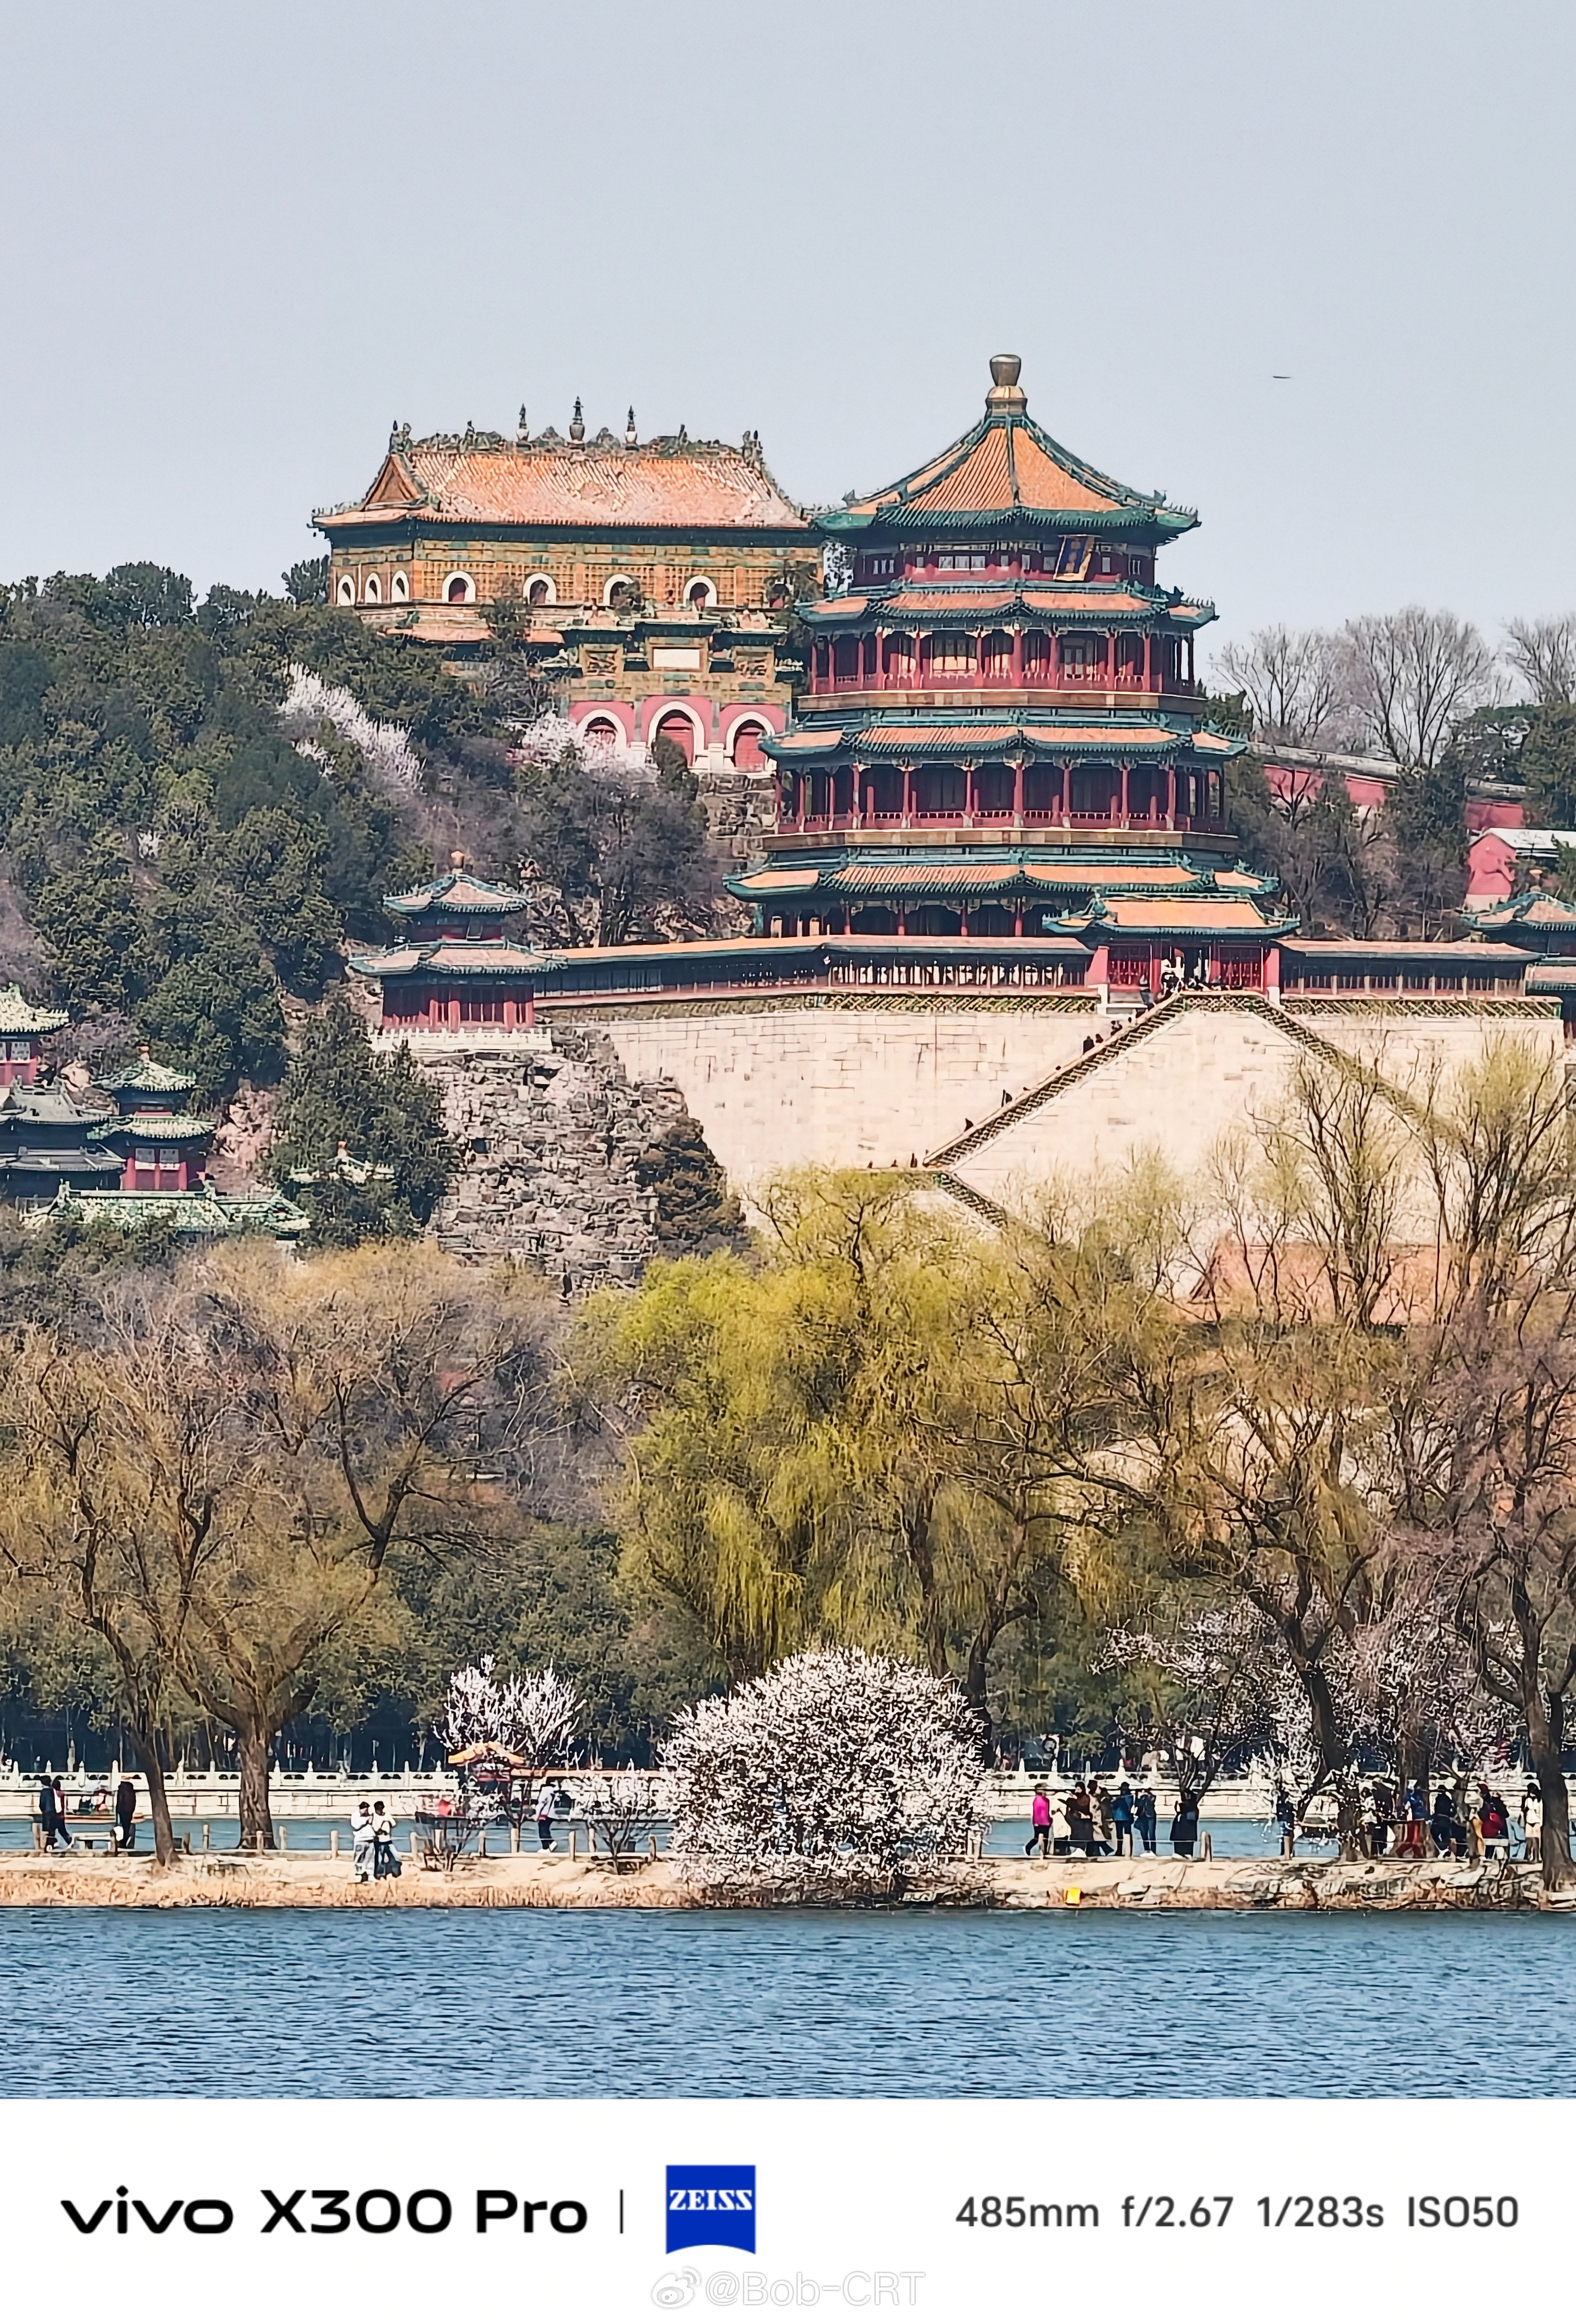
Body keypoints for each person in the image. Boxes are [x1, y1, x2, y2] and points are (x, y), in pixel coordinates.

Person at [371, 1799, 400, 1879]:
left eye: (381, 1808)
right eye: (378, 1809)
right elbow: (375, 1829)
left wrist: (387, 1823)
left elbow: (393, 1823)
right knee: (380, 1859)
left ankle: (394, 1872)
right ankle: (380, 1874)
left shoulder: (387, 1815)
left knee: (394, 1856)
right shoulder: (373, 1816)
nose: (380, 1810)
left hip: (388, 1840)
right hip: (379, 1841)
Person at [1066, 1784, 1096, 1856]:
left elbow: (1083, 1807)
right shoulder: (1073, 1800)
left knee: (1087, 1841)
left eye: (1079, 1789)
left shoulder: (1087, 1798)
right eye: (1076, 1789)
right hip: (1077, 1825)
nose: (1077, 1791)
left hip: (1086, 1825)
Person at [350, 1799, 375, 1883]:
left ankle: (369, 1874)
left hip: (371, 1839)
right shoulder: (355, 1816)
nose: (367, 1811)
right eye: (365, 1809)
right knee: (359, 1858)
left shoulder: (370, 1816)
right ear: (361, 1809)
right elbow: (356, 1825)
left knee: (370, 1858)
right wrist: (366, 1820)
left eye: (368, 1809)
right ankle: (359, 1874)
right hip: (360, 1840)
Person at [1025, 1784, 1052, 1858]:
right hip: (1042, 1822)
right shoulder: (1041, 1800)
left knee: (1041, 1838)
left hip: (1042, 1822)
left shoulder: (1041, 1800)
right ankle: (1043, 1853)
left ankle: (1043, 1852)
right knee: (1041, 1838)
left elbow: (1046, 1812)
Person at [1430, 1785, 1457, 1858]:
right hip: (1447, 1819)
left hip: (1439, 1819)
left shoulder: (1439, 1798)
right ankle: (1445, 1849)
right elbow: (1453, 1810)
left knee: (1434, 1833)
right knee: (1446, 1836)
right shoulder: (1449, 1799)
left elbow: (1437, 1808)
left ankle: (1443, 1849)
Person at [1170, 1793, 1199, 1857]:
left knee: (1186, 1851)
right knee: (1179, 1851)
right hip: (1179, 1838)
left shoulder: (1192, 1811)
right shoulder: (1180, 1815)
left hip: (1187, 1837)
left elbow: (1190, 1815)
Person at [1111, 1782, 1136, 1857]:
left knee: (1122, 1835)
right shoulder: (1130, 1798)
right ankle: (1124, 1851)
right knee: (1123, 1835)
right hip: (1123, 1818)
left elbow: (1113, 1805)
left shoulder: (1123, 1798)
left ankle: (1122, 1851)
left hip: (1121, 1818)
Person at [536, 1776, 559, 1853]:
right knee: (546, 1829)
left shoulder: (545, 1790)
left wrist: (537, 1814)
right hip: (552, 1813)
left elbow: (541, 1803)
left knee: (542, 1830)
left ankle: (548, 1845)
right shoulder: (554, 1791)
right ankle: (547, 1847)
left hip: (544, 1813)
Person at [114, 1777, 137, 1853]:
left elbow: (120, 1801)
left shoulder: (122, 1789)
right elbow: (134, 1801)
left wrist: (118, 1810)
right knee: (127, 1825)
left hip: (123, 1810)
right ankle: (126, 1839)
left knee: (122, 1825)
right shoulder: (131, 1790)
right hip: (129, 1810)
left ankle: (124, 1840)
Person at [1523, 1782, 1543, 1862]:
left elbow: (1540, 1812)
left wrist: (1541, 1823)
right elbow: (1525, 1809)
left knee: (1536, 1840)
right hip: (1529, 1821)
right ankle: (1528, 1856)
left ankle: (1536, 1857)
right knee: (1529, 1840)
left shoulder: (1539, 1801)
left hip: (1537, 1821)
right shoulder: (1527, 1800)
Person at [1135, 1786, 1158, 1854]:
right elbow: (1137, 1804)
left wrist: (1148, 1792)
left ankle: (1153, 1851)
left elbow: (1153, 1798)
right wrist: (1137, 1795)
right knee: (1144, 1834)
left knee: (1152, 1834)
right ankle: (1147, 1850)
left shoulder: (1150, 1797)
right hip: (1142, 1817)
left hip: (1151, 1816)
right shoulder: (1142, 1798)